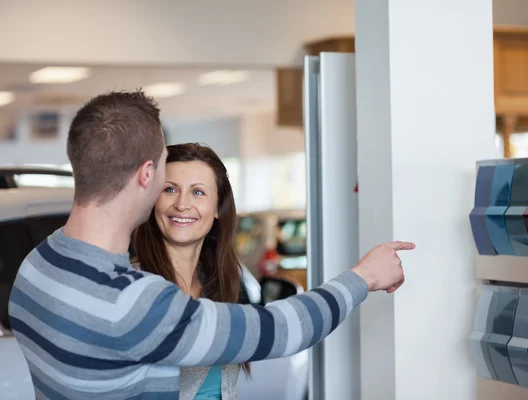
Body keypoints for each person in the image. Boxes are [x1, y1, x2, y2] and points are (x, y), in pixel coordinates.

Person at [7, 90, 415, 400]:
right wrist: (364, 277)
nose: (181, 201)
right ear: (148, 174)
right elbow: (281, 331)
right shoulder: (135, 303)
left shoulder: (39, 265)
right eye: (168, 176)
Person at [132, 142, 250, 400]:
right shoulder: (132, 286)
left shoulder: (221, 283)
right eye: (170, 189)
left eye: (198, 192)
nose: (182, 204)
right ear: (153, 201)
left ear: (219, 208)